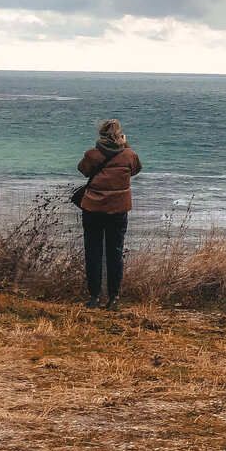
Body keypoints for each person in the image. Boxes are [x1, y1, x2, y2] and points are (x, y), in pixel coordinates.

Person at [78, 119, 142, 310]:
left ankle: (94, 298)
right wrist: (126, 145)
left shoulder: (92, 154)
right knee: (115, 253)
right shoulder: (129, 155)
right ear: (119, 135)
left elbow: (83, 170)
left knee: (93, 252)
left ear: (101, 134)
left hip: (93, 208)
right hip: (118, 209)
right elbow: (136, 169)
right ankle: (114, 298)